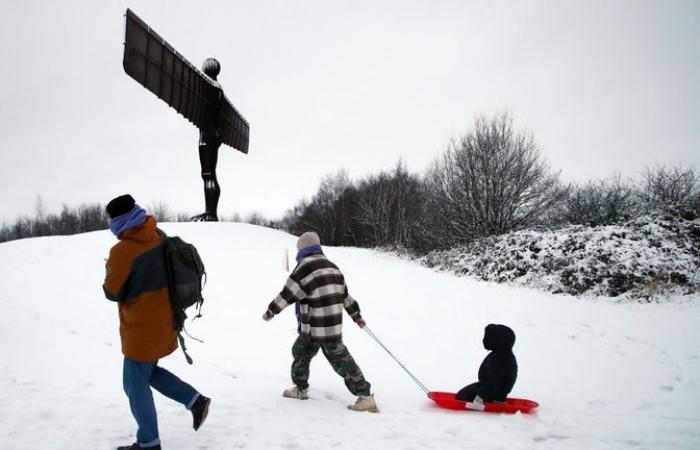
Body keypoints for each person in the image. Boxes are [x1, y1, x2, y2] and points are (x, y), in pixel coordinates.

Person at [102, 194, 211, 449]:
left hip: (141, 330)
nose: (109, 224)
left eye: (109, 219)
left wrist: (111, 269)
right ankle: (195, 401)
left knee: (134, 384)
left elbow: (111, 292)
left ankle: (149, 442)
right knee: (147, 373)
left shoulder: (122, 251)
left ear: (119, 220)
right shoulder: (157, 235)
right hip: (166, 322)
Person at [262, 231, 379, 413]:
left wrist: (271, 311)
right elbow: (345, 296)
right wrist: (356, 316)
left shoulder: (304, 267)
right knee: (301, 351)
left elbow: (288, 293)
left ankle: (365, 397)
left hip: (318, 326)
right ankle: (300, 389)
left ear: (302, 250)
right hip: (326, 325)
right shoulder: (333, 267)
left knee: (340, 359)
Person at [455, 324, 518, 409]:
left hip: (492, 393)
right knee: (464, 392)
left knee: (462, 395)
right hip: (498, 392)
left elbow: (494, 382)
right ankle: (497, 399)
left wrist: (479, 398)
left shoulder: (498, 359)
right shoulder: (506, 355)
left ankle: (494, 402)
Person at [191, 57, 223, 222]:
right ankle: (211, 211)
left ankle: (211, 212)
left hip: (207, 135)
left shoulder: (208, 88)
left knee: (207, 173)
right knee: (211, 173)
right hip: (215, 134)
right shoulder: (219, 90)